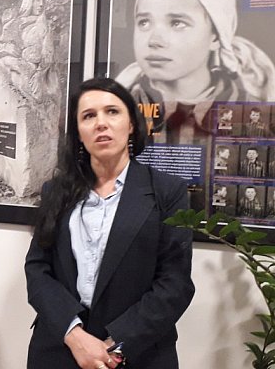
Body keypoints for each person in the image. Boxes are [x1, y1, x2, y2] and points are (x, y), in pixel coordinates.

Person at [25, 77, 194, 369]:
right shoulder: (56, 191)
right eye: (88, 116)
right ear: (79, 132)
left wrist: (115, 346)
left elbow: (175, 283)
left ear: (131, 124)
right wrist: (75, 337)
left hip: (139, 353)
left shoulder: (167, 191)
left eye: (112, 112)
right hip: (61, 350)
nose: (101, 123)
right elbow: (38, 269)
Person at [116, 0, 275, 145]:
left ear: (216, 36)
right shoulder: (119, 106)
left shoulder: (250, 110)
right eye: (144, 22)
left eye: (177, 23)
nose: (154, 41)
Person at [0, 0, 60, 102]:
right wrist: (7, 48)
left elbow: (48, 54)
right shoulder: (16, 23)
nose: (41, 4)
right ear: (29, 1)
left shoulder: (44, 26)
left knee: (35, 94)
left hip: (36, 72)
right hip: (15, 69)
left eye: (43, 0)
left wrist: (39, 74)